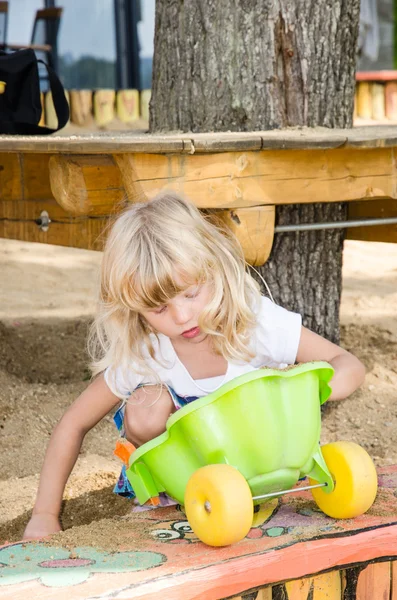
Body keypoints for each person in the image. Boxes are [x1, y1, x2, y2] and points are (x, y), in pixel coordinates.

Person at [23, 192, 366, 540]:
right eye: (158, 309)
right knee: (147, 407)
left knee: (273, 386)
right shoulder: (147, 352)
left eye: (191, 294)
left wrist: (307, 387)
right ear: (134, 309)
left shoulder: (253, 322)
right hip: (187, 485)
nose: (182, 316)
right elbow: (73, 423)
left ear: (212, 268)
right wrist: (44, 514)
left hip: (265, 463)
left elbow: (348, 364)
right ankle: (167, 504)